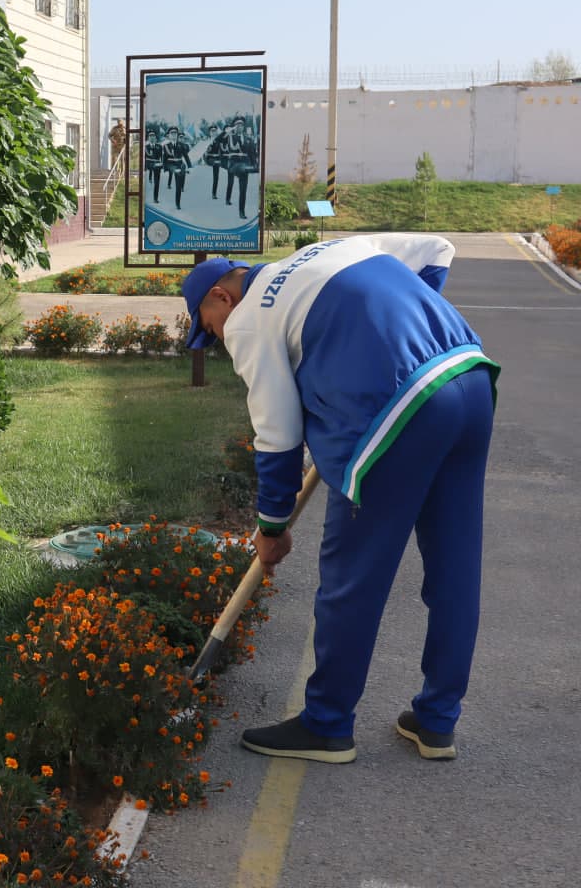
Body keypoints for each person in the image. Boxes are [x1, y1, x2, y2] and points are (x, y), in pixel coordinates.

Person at [180, 234, 498, 764]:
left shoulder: (248, 320)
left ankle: (326, 725)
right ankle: (437, 720)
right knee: (455, 567)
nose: (217, 338)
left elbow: (277, 435)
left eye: (209, 328)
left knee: (352, 578)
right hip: (467, 377)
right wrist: (404, 335)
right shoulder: (331, 248)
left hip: (396, 417)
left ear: (221, 296)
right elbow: (436, 250)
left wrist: (272, 527)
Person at [221, 117, 259, 220]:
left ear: (243, 127)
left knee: (243, 190)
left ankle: (241, 211)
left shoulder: (248, 139)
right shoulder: (230, 137)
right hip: (234, 165)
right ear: (234, 127)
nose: (239, 127)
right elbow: (222, 139)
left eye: (241, 125)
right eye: (237, 125)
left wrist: (255, 164)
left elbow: (252, 155)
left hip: (244, 167)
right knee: (231, 182)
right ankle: (228, 198)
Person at [160, 127, 193, 210]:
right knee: (176, 170)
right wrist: (164, 168)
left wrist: (190, 166)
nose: (174, 134)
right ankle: (177, 171)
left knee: (178, 185)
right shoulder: (166, 146)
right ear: (169, 135)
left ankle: (177, 203)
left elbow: (186, 156)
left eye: (175, 133)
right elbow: (164, 159)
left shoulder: (181, 145)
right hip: (170, 164)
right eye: (172, 133)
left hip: (179, 164)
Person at [203, 124, 227, 199]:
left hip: (217, 158)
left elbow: (223, 147)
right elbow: (203, 151)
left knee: (216, 177)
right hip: (209, 158)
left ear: (216, 132)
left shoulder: (219, 140)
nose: (213, 132)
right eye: (212, 131)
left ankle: (214, 193)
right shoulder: (206, 141)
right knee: (216, 163)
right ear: (209, 132)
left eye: (215, 131)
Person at [144, 128, 164, 202]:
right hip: (149, 163)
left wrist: (162, 164)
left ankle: (155, 198)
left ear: (155, 138)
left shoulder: (159, 146)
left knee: (157, 182)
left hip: (157, 164)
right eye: (150, 136)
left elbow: (162, 157)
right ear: (148, 138)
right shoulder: (146, 147)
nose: (152, 138)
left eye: (153, 136)